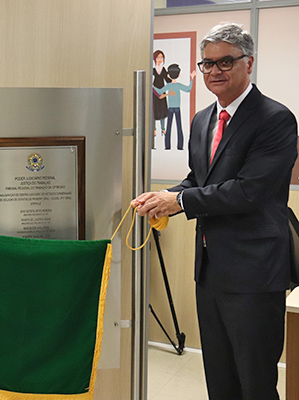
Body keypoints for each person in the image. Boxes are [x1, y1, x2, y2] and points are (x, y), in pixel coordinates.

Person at [133, 23, 298, 399]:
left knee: (254, 382)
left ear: (249, 62)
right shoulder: (202, 118)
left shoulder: (275, 118)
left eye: (225, 61)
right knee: (220, 379)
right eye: (206, 64)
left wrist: (180, 201)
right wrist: (163, 197)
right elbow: (200, 180)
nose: (214, 71)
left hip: (255, 273)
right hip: (209, 269)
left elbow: (249, 191)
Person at [154, 63, 196, 150]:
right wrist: (192, 79)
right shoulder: (178, 85)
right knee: (179, 127)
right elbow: (188, 89)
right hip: (177, 109)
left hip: (171, 109)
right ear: (179, 75)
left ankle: (167, 146)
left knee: (169, 127)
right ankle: (179, 146)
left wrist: (153, 87)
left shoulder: (169, 86)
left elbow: (159, 91)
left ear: (168, 75)